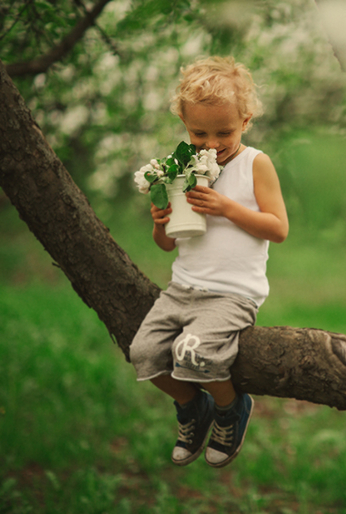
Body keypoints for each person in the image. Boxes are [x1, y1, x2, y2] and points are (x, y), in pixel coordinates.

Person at [130, 56, 288, 468]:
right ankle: (191, 407)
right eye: (199, 133)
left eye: (225, 132)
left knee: (192, 354)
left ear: (246, 121)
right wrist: (160, 223)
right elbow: (167, 245)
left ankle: (230, 408)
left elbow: (278, 228)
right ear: (183, 122)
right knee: (143, 352)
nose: (212, 144)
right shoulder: (179, 167)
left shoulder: (255, 164)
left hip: (232, 294)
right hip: (182, 288)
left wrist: (226, 207)